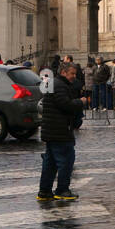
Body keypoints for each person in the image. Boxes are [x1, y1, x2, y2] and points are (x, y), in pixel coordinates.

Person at [38, 61, 89, 201]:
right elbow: (65, 105)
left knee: (50, 163)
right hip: (60, 130)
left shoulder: (52, 83)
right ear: (63, 72)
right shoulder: (60, 85)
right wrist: (81, 102)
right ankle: (62, 190)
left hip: (51, 129)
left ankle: (45, 191)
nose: (74, 76)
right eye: (72, 73)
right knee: (66, 160)